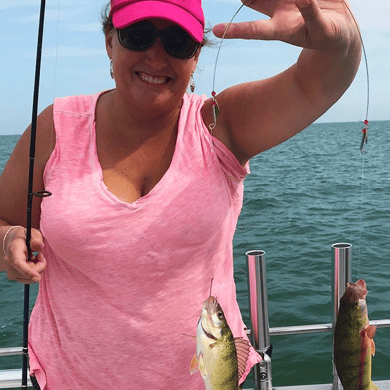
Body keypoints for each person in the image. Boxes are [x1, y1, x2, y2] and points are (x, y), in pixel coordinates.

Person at [0, 0, 361, 389]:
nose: (157, 55)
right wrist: (7, 241)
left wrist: (343, 40)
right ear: (110, 41)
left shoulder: (220, 124)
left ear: (196, 56)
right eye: (138, 35)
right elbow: (4, 221)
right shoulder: (55, 128)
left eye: (177, 41)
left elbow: (317, 83)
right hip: (69, 378)